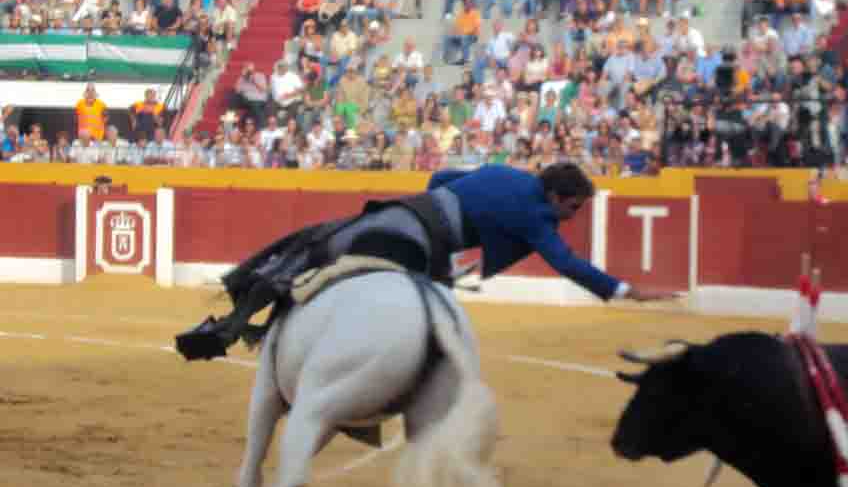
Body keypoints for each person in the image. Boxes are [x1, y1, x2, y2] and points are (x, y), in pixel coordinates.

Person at [176, 163, 676, 360]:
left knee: (310, 248)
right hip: (425, 237)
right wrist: (623, 289)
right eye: (572, 207)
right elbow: (566, 264)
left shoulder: (504, 171)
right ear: (556, 194)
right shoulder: (535, 215)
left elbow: (441, 175)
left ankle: (231, 325)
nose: (570, 217)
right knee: (436, 321)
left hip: (405, 208)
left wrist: (437, 212)